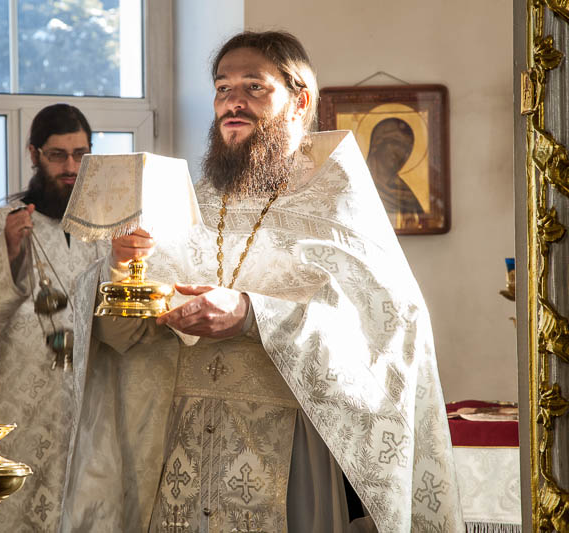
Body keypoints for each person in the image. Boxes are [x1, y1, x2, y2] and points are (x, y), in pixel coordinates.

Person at [60, 31, 462, 532]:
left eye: (254, 86)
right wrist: (122, 266)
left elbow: (386, 335)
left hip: (293, 450)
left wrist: (252, 315)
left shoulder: (336, 206)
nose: (233, 101)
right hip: (183, 448)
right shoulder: (187, 204)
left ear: (300, 102)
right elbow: (122, 336)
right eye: (223, 88)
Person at [0, 104, 106, 532]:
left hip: (84, 413)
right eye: (58, 155)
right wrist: (7, 253)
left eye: (81, 154)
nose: (71, 167)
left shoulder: (106, 233)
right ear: (34, 154)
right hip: (8, 419)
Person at [365, 117, 425, 216]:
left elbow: (421, 221)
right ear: (377, 142)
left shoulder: (407, 195)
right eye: (396, 143)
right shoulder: (355, 183)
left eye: (407, 149)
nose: (402, 152)